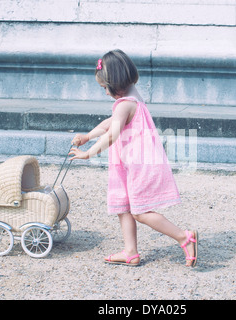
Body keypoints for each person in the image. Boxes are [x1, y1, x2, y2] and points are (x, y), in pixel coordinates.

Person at [68, 49, 198, 267]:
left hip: (138, 164)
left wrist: (88, 153)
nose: (106, 93)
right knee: (124, 205)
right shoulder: (133, 98)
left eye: (105, 88)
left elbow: (112, 133)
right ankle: (131, 251)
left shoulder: (125, 104)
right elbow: (111, 122)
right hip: (127, 163)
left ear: (115, 84)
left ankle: (184, 237)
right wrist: (88, 136)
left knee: (140, 212)